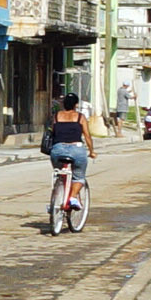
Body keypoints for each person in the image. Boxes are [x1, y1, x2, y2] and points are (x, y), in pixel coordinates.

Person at [42, 90, 93, 231]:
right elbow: (87, 136)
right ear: (76, 105)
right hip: (76, 149)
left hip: (57, 150)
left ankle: (59, 191)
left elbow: (51, 132)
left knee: (59, 171)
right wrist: (92, 151)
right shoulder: (80, 117)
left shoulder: (56, 116)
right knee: (79, 176)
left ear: (63, 105)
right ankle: (72, 197)